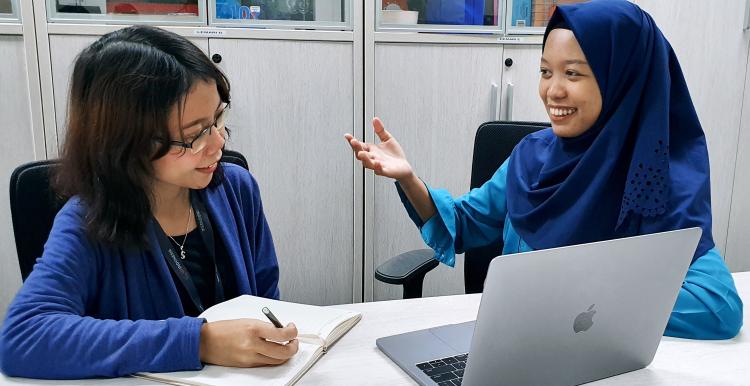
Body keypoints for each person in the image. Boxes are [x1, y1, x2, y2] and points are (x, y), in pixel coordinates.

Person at [346, 0, 743, 339]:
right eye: (545, 71)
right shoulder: (532, 158)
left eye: (573, 73)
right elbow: (464, 223)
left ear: (624, 80)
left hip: (610, 365)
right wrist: (409, 179)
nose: (552, 90)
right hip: (513, 347)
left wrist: (577, 300)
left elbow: (716, 306)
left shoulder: (655, 178)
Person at [0, 25, 298, 379]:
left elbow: (265, 300)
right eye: (194, 135)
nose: (217, 143)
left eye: (217, 119)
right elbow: (23, 338)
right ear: (127, 142)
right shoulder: (87, 221)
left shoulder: (236, 188)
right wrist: (199, 342)